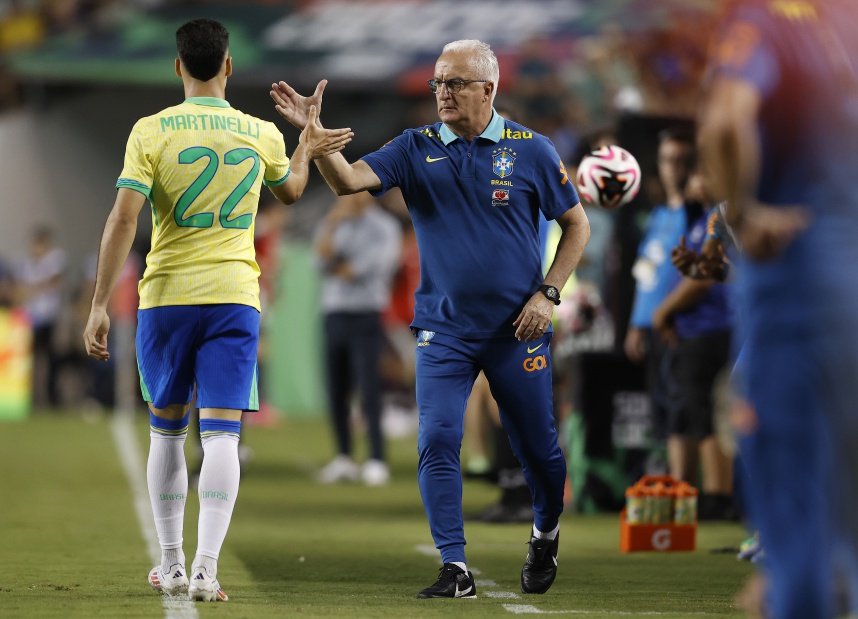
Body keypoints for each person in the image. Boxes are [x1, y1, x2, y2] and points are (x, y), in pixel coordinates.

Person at [270, 38, 590, 598]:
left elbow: (577, 225)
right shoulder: (414, 147)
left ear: (488, 89)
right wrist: (315, 143)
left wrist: (549, 294)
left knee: (540, 450)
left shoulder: (532, 150)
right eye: (438, 83)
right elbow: (349, 182)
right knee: (438, 438)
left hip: (519, 331)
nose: (443, 93)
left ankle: (545, 531)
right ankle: (455, 566)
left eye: (455, 83)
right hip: (442, 329)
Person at [82, 18, 352, 602]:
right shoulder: (259, 132)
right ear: (229, 66)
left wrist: (100, 303)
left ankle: (172, 564)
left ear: (177, 66)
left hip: (168, 297)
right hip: (234, 296)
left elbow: (124, 218)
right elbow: (292, 191)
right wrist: (304, 142)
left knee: (167, 433)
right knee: (224, 436)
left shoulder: (149, 132)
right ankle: (207, 569)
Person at [700, 1, 858, 616]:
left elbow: (724, 126)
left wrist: (742, 213)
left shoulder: (772, 23)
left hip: (803, 293)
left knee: (795, 538)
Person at [651, 173, 735, 520]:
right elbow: (717, 270)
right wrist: (700, 267)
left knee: (712, 413)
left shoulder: (770, 205)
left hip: (726, 328)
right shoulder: (719, 216)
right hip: (751, 328)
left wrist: (663, 311)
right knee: (701, 413)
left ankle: (722, 497)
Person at [313, 191, 402, 486]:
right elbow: (318, 262)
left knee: (369, 388)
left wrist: (336, 266)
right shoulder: (335, 222)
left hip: (366, 313)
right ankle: (344, 457)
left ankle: (376, 459)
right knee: (336, 389)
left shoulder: (384, 226)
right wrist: (332, 224)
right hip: (334, 313)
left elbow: (365, 269)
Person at [623, 127, 696, 452]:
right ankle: (671, 489)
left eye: (681, 160)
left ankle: (696, 493)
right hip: (652, 327)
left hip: (681, 326)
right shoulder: (659, 215)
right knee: (662, 412)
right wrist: (636, 324)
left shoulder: (699, 217)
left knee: (685, 413)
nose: (674, 168)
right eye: (668, 160)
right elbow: (648, 274)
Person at [15, 226, 67, 409]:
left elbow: (52, 280)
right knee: (29, 360)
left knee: (52, 358)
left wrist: (31, 289)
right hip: (30, 318)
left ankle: (51, 396)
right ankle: (30, 397)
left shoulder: (55, 259)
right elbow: (19, 290)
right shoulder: (26, 263)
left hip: (49, 316)